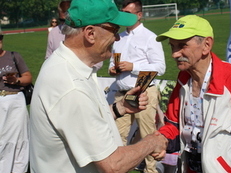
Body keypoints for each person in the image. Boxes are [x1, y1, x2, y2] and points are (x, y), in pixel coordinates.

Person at [29, 0, 167, 173]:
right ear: (90, 33)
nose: (117, 37)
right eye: (114, 30)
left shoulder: (71, 68)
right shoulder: (71, 85)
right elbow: (113, 164)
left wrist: (120, 108)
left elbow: (84, 121)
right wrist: (151, 142)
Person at [155, 15, 231, 173]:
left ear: (206, 45)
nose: (174, 54)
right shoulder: (184, 79)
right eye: (172, 46)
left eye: (182, 45)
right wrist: (160, 140)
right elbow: (174, 127)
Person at [108, 1, 166, 172]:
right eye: (123, 11)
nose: (124, 15)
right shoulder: (119, 37)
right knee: (117, 135)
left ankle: (151, 170)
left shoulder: (150, 37)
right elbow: (114, 60)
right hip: (122, 94)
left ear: (139, 15)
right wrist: (112, 68)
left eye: (129, 12)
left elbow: (160, 67)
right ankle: (119, 168)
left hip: (143, 90)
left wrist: (133, 67)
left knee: (148, 134)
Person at [0, 31, 32, 173]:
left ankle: (19, 169)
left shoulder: (13, 56)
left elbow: (28, 77)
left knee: (20, 138)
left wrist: (17, 80)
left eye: (0, 38)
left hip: (16, 99)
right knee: (2, 140)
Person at [45, 0, 103, 70]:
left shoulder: (86, 31)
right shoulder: (53, 33)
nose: (64, 24)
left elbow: (98, 61)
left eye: (67, 20)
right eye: (62, 20)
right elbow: (48, 58)